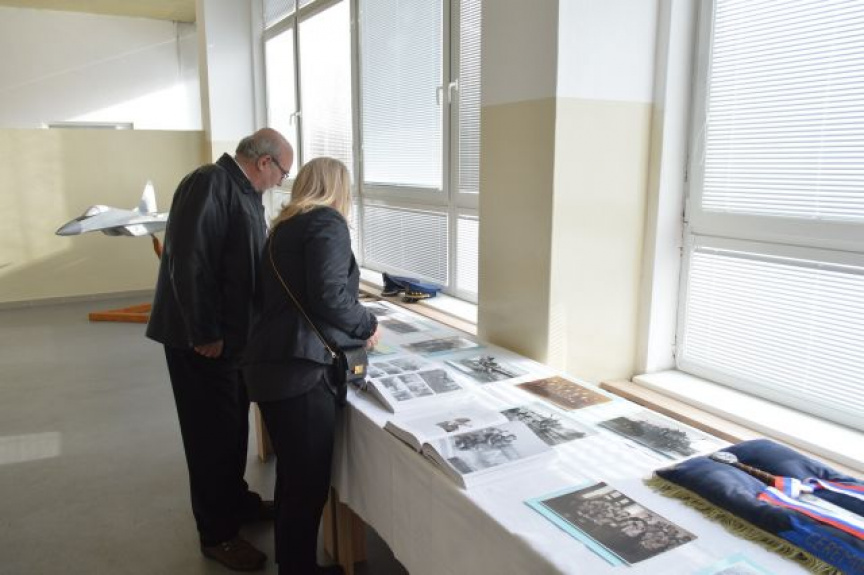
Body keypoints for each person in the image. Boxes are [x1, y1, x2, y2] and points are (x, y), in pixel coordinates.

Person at [147, 128, 294, 571]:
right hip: (202, 342)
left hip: (232, 342)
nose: (281, 182)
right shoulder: (210, 182)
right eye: (283, 173)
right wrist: (205, 332)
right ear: (264, 162)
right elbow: (188, 259)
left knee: (231, 429)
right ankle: (217, 534)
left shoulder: (243, 193)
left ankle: (235, 501)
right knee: (209, 437)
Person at [242, 157, 379, 575]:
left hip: (272, 365)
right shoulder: (327, 223)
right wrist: (368, 324)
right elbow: (329, 296)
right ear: (339, 188)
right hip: (300, 373)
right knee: (307, 485)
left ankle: (292, 562)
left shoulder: (284, 226)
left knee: (292, 477)